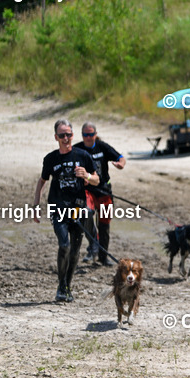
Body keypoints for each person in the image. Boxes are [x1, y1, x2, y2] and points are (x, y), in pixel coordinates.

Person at [33, 119, 99, 302]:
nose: (66, 138)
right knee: (64, 245)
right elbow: (42, 181)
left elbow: (96, 180)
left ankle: (66, 286)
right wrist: (36, 206)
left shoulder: (83, 156)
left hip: (77, 209)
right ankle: (61, 286)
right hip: (58, 208)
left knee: (75, 251)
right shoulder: (51, 159)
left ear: (72, 135)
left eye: (68, 134)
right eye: (61, 135)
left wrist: (86, 175)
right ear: (56, 137)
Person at [79, 122, 126, 266]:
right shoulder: (77, 149)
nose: (88, 137)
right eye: (86, 135)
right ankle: (93, 246)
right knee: (86, 214)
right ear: (82, 135)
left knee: (104, 225)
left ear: (95, 134)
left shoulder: (102, 147)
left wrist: (121, 165)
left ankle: (103, 257)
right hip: (88, 191)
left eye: (91, 134)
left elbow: (120, 157)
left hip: (104, 191)